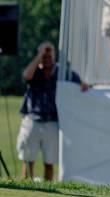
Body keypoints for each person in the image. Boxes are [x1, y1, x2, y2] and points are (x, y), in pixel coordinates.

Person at [16, 41, 88, 181]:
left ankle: (48, 190)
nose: (47, 56)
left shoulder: (62, 72)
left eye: (50, 53)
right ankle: (26, 186)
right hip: (32, 121)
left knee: (49, 163)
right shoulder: (35, 70)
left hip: (53, 122)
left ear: (54, 54)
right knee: (28, 160)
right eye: (44, 54)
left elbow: (80, 83)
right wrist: (39, 56)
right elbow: (26, 76)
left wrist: (82, 85)